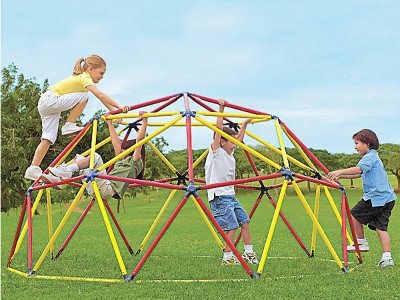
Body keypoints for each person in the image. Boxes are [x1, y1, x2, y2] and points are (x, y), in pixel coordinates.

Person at [24, 55, 130, 181]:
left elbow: (101, 97)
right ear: (91, 69)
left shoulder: (82, 79)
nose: (102, 77)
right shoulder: (84, 77)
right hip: (50, 99)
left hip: (46, 104)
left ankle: (33, 168)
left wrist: (114, 111)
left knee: (48, 138)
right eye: (101, 73)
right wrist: (119, 105)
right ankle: (68, 125)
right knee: (84, 97)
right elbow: (100, 95)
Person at [326, 129, 396, 268]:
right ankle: (387, 257)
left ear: (367, 144)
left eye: (357, 143)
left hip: (376, 197)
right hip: (388, 198)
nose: (355, 146)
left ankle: (361, 241)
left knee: (353, 215)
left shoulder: (369, 157)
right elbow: (358, 174)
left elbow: (358, 170)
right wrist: (340, 176)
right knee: (380, 228)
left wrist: (339, 171)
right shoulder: (374, 157)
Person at [41, 112, 148, 200]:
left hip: (106, 188)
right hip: (95, 187)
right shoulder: (121, 158)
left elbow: (139, 140)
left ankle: (65, 172)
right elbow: (115, 142)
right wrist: (109, 123)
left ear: (131, 151)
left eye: (124, 149)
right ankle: (59, 179)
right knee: (79, 158)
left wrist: (145, 121)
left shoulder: (135, 162)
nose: (121, 150)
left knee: (95, 157)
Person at [204, 99, 259, 265]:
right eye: (231, 140)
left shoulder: (230, 154)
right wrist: (220, 109)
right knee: (231, 226)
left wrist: (245, 124)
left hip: (230, 196)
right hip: (219, 197)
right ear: (222, 141)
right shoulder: (215, 152)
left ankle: (248, 253)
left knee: (245, 222)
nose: (235, 142)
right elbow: (218, 130)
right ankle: (227, 257)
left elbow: (240, 139)